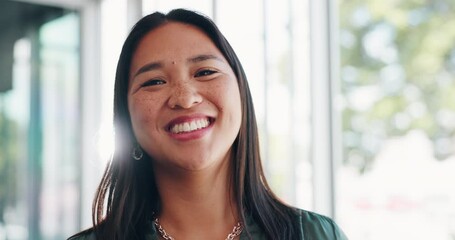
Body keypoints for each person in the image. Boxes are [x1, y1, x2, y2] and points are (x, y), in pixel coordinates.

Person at [69, 8, 348, 240]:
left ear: (241, 93)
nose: (185, 98)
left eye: (205, 72)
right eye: (154, 81)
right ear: (126, 117)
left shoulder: (314, 234)